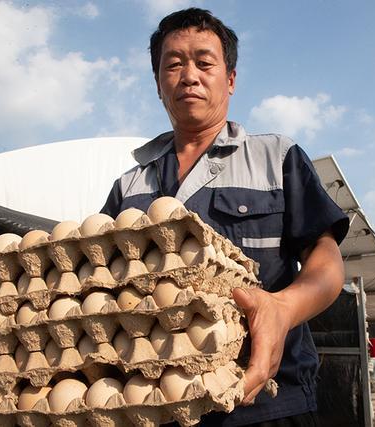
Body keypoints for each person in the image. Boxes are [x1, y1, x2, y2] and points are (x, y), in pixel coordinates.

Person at [101, 7, 349, 426]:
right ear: (158, 84)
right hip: (154, 406)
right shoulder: (131, 184)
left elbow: (325, 257)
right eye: (173, 64)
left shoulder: (276, 158)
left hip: (263, 404)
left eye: (204, 62)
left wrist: (283, 307)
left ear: (230, 79)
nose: (189, 75)